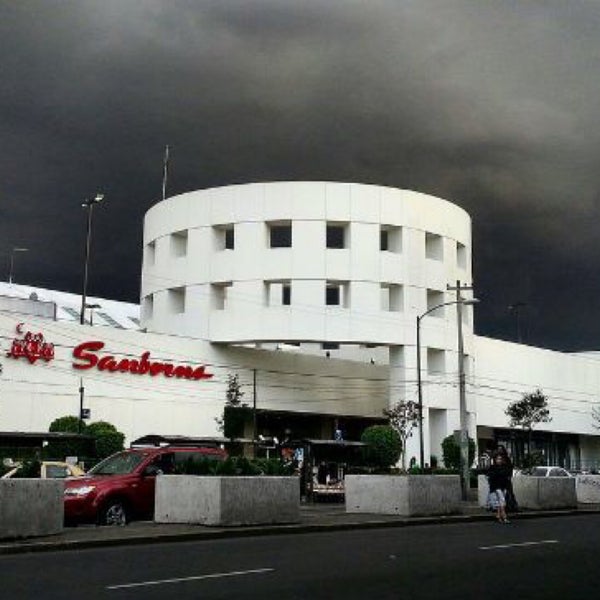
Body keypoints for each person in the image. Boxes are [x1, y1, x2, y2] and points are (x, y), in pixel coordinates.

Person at [487, 453, 512, 524]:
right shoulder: (493, 467)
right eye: (498, 459)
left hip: (503, 486)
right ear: (495, 460)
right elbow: (491, 477)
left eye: (500, 459)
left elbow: (507, 476)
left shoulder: (505, 467)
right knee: (502, 500)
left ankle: (498, 516)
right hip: (496, 486)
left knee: (499, 501)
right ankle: (504, 516)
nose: (499, 460)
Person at [494, 445, 518, 513]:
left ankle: (511, 506)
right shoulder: (497, 458)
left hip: (506, 479)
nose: (500, 451)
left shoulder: (506, 458)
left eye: (501, 449)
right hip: (499, 479)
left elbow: (510, 468)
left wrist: (509, 476)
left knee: (509, 492)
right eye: (498, 449)